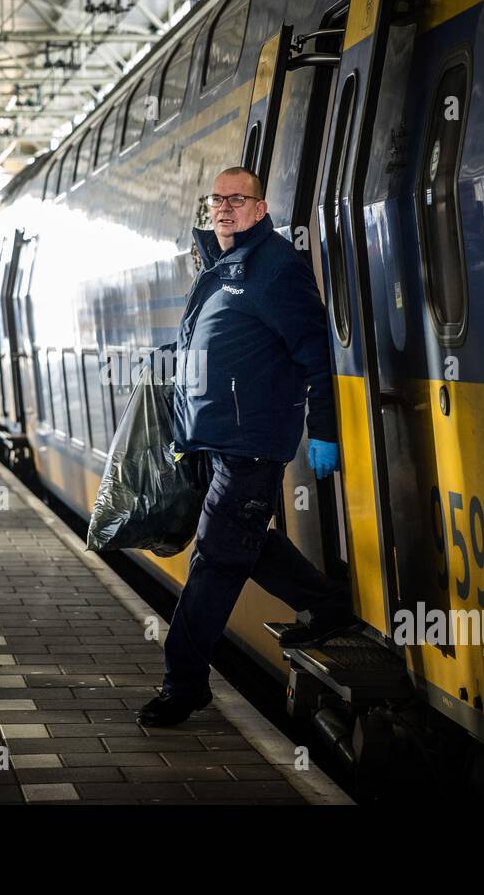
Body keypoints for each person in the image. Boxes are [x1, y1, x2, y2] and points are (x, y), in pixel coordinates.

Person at [136, 166, 359, 728]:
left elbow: (316, 353)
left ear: (261, 208)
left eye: (239, 199)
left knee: (213, 561)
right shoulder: (221, 266)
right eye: (218, 199)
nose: (226, 208)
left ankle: (183, 685)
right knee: (247, 540)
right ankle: (331, 606)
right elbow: (211, 338)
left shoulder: (278, 268)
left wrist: (325, 431)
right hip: (213, 439)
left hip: (250, 446)